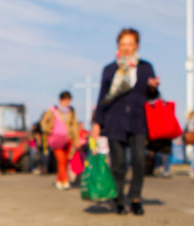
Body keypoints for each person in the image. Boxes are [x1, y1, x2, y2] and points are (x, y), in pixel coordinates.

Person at [91, 28, 160, 215]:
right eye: (123, 44)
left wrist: (153, 88)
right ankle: (119, 198)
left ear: (136, 45)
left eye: (130, 44)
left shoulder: (146, 68)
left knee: (138, 160)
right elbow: (102, 98)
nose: (126, 48)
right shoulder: (110, 69)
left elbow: (152, 98)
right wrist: (97, 123)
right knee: (119, 164)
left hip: (138, 121)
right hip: (115, 120)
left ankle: (135, 197)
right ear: (118, 46)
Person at [40, 91, 79, 190]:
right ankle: (65, 181)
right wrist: (49, 129)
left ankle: (59, 180)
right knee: (61, 160)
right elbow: (43, 122)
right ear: (61, 100)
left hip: (68, 138)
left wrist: (76, 140)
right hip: (56, 139)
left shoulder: (72, 111)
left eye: (69, 101)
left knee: (65, 161)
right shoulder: (53, 110)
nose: (67, 103)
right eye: (65, 100)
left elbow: (74, 125)